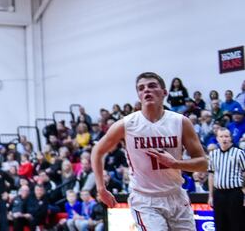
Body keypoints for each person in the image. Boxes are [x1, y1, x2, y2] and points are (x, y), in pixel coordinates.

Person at [91, 72, 208, 230]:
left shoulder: (180, 122)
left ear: (164, 93)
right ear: (139, 95)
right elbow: (97, 151)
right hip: (145, 199)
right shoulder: (127, 124)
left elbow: (203, 164)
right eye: (141, 88)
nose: (146, 90)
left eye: (152, 86)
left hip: (176, 195)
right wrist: (100, 188)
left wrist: (175, 163)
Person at [207, 127, 245, 231]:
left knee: (237, 224)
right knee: (219, 224)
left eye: (226, 136)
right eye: (221, 136)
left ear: (230, 138)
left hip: (235, 193)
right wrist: (210, 195)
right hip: (218, 193)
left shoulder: (239, 153)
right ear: (217, 139)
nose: (224, 139)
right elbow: (211, 175)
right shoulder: (213, 154)